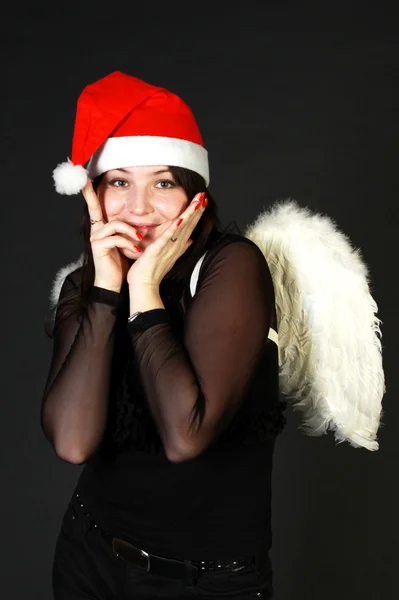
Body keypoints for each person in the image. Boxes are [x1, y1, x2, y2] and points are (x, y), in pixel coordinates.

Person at [41, 70, 287, 599]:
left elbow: (186, 435)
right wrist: (108, 290)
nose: (139, 208)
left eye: (164, 183)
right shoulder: (85, 286)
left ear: (195, 196)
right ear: (96, 195)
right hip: (90, 559)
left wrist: (145, 288)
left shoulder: (231, 266)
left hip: (203, 583)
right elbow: (71, 440)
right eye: (120, 182)